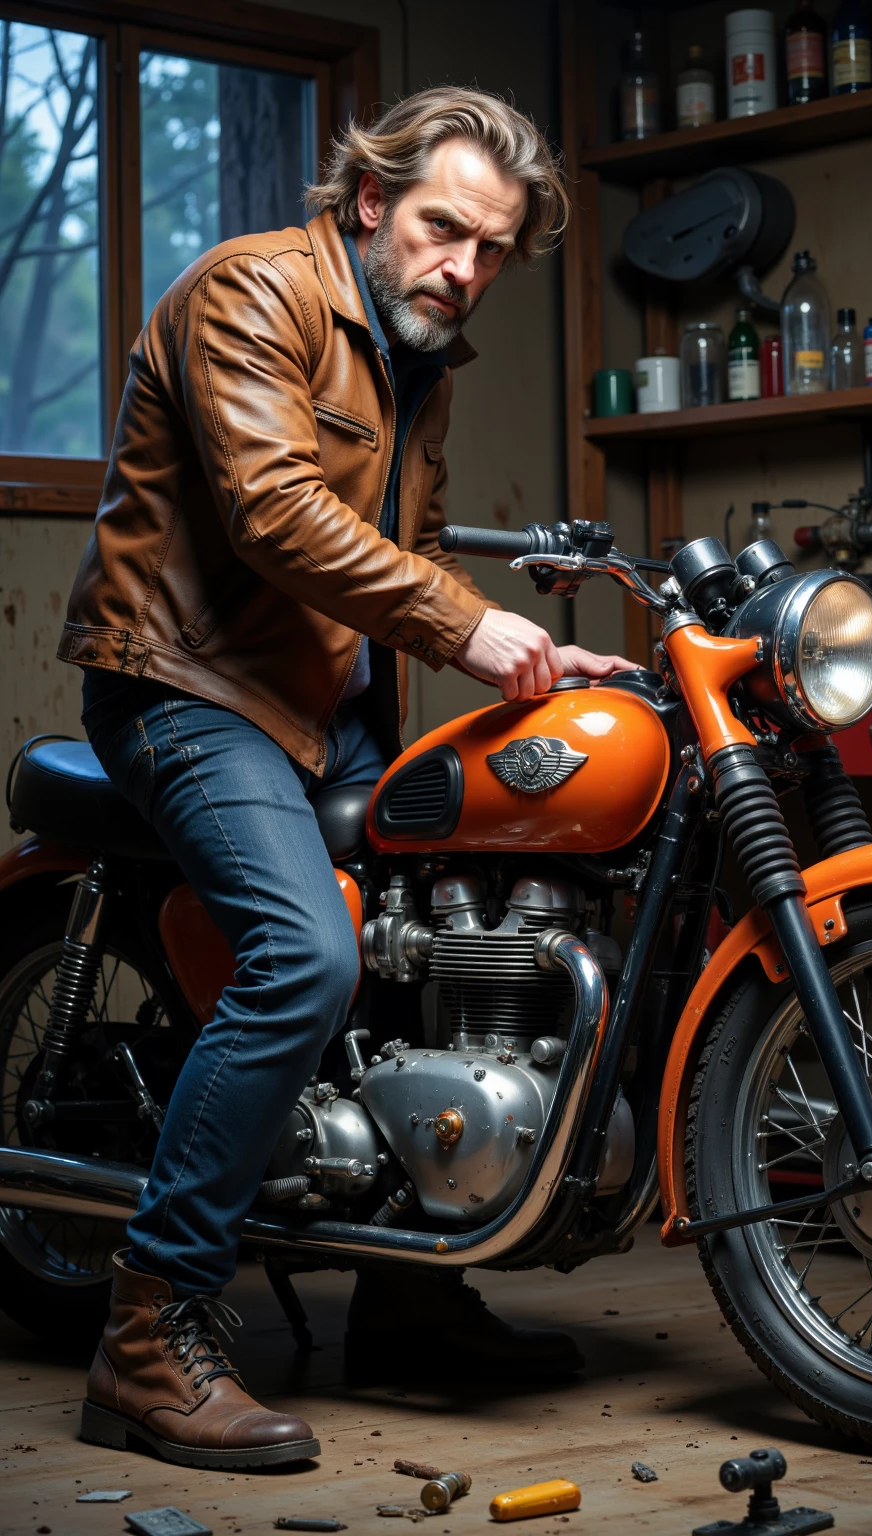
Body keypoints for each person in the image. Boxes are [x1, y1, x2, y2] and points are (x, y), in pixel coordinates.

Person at [59, 86, 633, 1471]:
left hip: (326, 706)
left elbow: (407, 575)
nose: (466, 266)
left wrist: (537, 656)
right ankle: (145, 1334)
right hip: (183, 685)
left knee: (436, 946)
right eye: (445, 228)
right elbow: (273, 515)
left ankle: (407, 1293)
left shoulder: (421, 353)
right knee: (309, 958)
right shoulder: (248, 293)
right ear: (372, 202)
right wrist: (468, 624)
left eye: (492, 249)